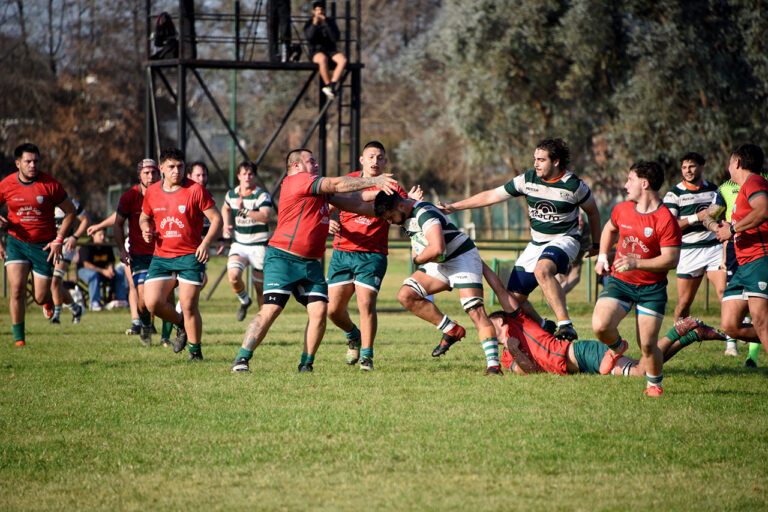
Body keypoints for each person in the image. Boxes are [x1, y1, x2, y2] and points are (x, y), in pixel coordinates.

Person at [230, 148, 397, 374]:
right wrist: (373, 180)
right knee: (271, 309)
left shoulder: (317, 191)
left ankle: (306, 364)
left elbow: (355, 201)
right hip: (283, 259)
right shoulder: (297, 181)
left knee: (320, 311)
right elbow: (337, 185)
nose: (316, 165)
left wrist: (393, 208)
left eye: (316, 161)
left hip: (310, 264)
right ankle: (242, 358)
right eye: (312, 161)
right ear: (297, 165)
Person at [438, 138, 601, 341]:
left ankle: (565, 325)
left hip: (565, 239)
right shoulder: (527, 180)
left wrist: (596, 245)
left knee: (543, 270)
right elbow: (491, 196)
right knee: (513, 299)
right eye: (535, 159)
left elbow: (593, 213)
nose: (535, 164)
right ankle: (544, 326)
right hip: (536, 244)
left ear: (556, 161)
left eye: (541, 160)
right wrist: (455, 207)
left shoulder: (574, 185)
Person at [483, 258, 726, 376]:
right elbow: (530, 373)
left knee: (641, 371)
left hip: (581, 354)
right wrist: (515, 351)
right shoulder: (505, 357)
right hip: (579, 367)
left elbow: (500, 290)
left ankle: (680, 330)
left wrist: (479, 265)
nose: (486, 326)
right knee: (646, 365)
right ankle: (691, 334)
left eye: (490, 321)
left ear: (502, 320)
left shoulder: (519, 320)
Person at [372, 191, 504, 375]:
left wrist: (417, 261)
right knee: (406, 295)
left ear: (400, 206)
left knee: (475, 311)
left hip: (461, 257)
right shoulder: (405, 213)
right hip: (440, 262)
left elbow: (437, 248)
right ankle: (452, 330)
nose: (390, 222)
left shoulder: (425, 214)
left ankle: (494, 366)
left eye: (390, 217)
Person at [326, 141, 420, 371]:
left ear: (385, 161)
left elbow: (405, 215)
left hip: (372, 255)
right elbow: (325, 207)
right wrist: (326, 222)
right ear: (361, 160)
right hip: (342, 252)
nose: (375, 162)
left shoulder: (394, 188)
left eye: (380, 158)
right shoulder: (348, 182)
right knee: (332, 311)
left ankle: (367, 356)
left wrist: (414, 203)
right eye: (371, 157)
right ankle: (352, 334)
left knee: (366, 304)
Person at [592, 161, 682, 397]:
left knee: (648, 346)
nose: (625, 185)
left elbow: (671, 260)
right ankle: (617, 347)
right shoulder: (622, 209)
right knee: (600, 326)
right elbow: (609, 230)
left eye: (629, 180)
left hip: (652, 289)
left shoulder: (665, 220)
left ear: (644, 183)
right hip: (620, 283)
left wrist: (636, 263)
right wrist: (602, 256)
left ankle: (654, 385)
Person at [140, 148, 222, 361]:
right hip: (162, 256)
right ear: (162, 169)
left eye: (180, 167)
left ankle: (195, 353)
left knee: (188, 305)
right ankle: (180, 324)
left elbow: (217, 219)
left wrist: (205, 244)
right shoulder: (152, 192)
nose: (176, 171)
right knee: (152, 303)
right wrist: (144, 227)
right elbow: (144, 216)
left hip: (189, 256)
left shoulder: (195, 190)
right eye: (171, 167)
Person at [0, 143, 77, 346]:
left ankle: (47, 300)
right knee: (16, 289)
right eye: (28, 161)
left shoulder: (50, 185)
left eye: (36, 161)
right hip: (16, 243)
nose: (33, 165)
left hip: (44, 246)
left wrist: (59, 239)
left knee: (39, 295)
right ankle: (19, 340)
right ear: (18, 164)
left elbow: (71, 212)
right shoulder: (6, 185)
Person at [715, 144, 768, 359]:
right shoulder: (745, 189)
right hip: (743, 266)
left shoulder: (754, 181)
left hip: (759, 259)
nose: (728, 168)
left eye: (729, 163)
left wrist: (733, 229)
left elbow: (763, 209)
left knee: (761, 321)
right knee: (730, 325)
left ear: (737, 162)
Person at [662, 152, 727, 324]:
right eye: (684, 167)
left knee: (724, 293)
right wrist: (695, 217)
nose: (687, 170)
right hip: (689, 251)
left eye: (691, 166)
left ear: (702, 167)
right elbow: (669, 227)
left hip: (715, 247)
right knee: (684, 303)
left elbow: (724, 217)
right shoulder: (674, 194)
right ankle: (676, 339)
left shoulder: (714, 190)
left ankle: (731, 343)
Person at [114, 158, 162, 346]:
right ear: (139, 175)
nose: (151, 177)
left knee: (164, 297)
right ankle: (145, 323)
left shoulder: (166, 194)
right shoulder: (129, 196)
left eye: (154, 173)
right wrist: (121, 250)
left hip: (163, 253)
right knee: (143, 297)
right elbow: (117, 224)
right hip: (140, 255)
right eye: (146, 173)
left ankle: (167, 337)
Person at [220, 160, 273, 321]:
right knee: (233, 275)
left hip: (259, 245)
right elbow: (225, 207)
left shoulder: (261, 195)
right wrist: (225, 225)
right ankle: (244, 300)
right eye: (244, 174)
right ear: (238, 176)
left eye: (250, 174)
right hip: (240, 244)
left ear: (255, 177)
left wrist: (244, 210)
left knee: (259, 287)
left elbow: (265, 217)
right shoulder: (232, 194)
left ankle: (260, 322)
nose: (247, 177)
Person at [49, 198, 89, 324]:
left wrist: (74, 237)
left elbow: (85, 220)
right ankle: (76, 309)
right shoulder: (43, 201)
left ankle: (56, 316)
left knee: (56, 281)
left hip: (65, 246)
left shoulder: (71, 202)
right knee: (52, 284)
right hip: (47, 246)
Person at [77, 228, 129, 310]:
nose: (103, 237)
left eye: (104, 235)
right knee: (93, 275)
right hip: (84, 271)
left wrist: (110, 269)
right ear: (93, 235)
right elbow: (86, 265)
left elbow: (111, 261)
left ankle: (121, 300)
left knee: (119, 274)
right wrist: (103, 271)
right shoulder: (87, 246)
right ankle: (94, 303)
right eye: (100, 235)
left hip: (102, 272)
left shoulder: (106, 246)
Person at [303, 0, 346, 99]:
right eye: (317, 10)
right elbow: (309, 37)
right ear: (313, 12)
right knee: (323, 59)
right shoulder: (309, 23)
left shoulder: (330, 23)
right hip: (316, 51)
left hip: (331, 50)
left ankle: (333, 84)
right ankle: (328, 85)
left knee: (342, 60)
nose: (319, 12)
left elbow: (335, 38)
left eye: (321, 10)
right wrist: (314, 24)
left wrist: (325, 25)